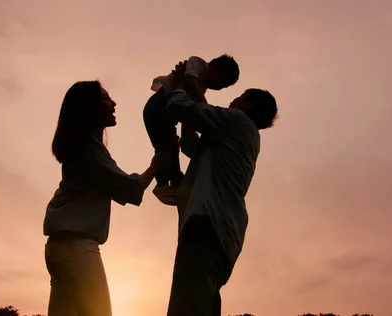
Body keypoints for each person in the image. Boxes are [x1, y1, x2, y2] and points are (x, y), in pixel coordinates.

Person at [43, 80, 168, 316]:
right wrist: (156, 165)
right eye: (106, 98)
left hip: (58, 247)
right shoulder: (89, 149)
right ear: (89, 107)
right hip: (76, 247)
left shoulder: (84, 147)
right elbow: (128, 188)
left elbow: (123, 187)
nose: (113, 103)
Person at [164, 62, 278, 316]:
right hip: (223, 234)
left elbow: (177, 106)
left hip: (207, 224)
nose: (232, 100)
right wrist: (193, 111)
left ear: (248, 104)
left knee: (187, 307)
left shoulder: (237, 121)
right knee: (203, 306)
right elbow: (192, 147)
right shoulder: (238, 134)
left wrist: (182, 83)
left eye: (238, 96)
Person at [143, 54, 240, 205]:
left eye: (225, 87)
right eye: (223, 82)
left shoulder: (201, 88)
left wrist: (192, 130)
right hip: (157, 108)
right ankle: (162, 183)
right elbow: (189, 81)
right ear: (215, 67)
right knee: (166, 147)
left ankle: (176, 181)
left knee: (171, 146)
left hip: (168, 117)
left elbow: (187, 111)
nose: (220, 88)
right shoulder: (197, 64)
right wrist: (205, 109)